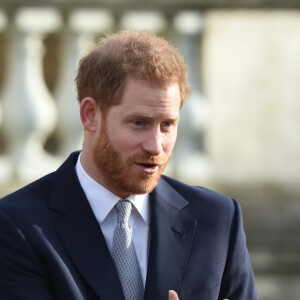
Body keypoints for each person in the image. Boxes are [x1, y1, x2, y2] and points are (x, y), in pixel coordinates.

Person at [0, 30, 257, 300]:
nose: (156, 146)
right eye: (139, 123)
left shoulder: (217, 220)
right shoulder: (16, 227)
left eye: (167, 124)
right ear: (91, 115)